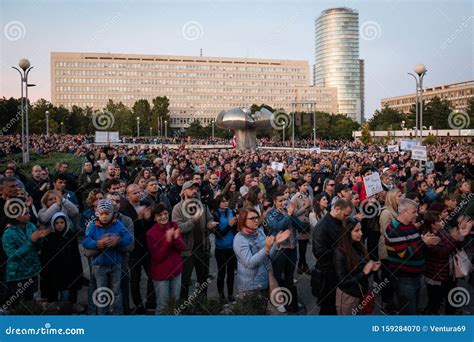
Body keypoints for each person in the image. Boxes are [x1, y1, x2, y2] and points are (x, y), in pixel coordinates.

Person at [384, 198, 440, 315]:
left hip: (415, 275)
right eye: (413, 212)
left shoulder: (410, 226)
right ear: (404, 212)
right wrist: (423, 242)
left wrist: (428, 243)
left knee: (413, 307)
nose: (416, 215)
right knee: (409, 312)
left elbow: (417, 248)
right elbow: (404, 254)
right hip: (404, 277)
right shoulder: (394, 229)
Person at [82, 199, 133, 315]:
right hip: (99, 266)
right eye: (101, 214)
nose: (104, 216)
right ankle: (102, 315)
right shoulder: (93, 226)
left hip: (116, 265)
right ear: (97, 214)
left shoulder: (118, 224)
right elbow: (85, 240)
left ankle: (117, 315)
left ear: (112, 214)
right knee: (101, 292)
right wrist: (97, 244)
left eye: (107, 213)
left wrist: (118, 241)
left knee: (116, 292)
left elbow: (129, 238)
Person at [172, 181, 217, 299]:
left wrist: (210, 225)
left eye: (196, 189)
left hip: (202, 249)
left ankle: (202, 306)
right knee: (184, 282)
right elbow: (178, 228)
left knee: (203, 281)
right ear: (183, 192)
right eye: (191, 189)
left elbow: (209, 220)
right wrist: (193, 221)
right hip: (186, 252)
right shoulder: (178, 208)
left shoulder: (202, 206)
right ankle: (183, 308)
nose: (194, 191)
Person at [422, 211, 472, 315]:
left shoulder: (442, 230)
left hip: (448, 274)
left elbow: (454, 246)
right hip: (436, 277)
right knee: (434, 303)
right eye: (439, 220)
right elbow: (442, 253)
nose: (442, 221)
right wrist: (456, 238)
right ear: (432, 224)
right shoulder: (429, 235)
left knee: (452, 301)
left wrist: (460, 235)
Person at [233, 208, 290, 297]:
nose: (256, 220)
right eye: (252, 218)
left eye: (257, 217)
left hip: (264, 281)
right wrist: (266, 248)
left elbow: (268, 256)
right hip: (250, 287)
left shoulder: (259, 231)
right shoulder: (240, 238)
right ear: (243, 220)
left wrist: (276, 244)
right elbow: (250, 263)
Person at [2, 197, 49, 303]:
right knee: (17, 304)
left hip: (32, 271)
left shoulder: (31, 226)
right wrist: (31, 241)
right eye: (26, 213)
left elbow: (37, 248)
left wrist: (40, 239)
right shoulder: (8, 233)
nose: (29, 215)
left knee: (31, 302)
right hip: (17, 274)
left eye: (29, 212)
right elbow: (12, 256)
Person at [312, 199, 353, 315]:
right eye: (345, 215)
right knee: (328, 307)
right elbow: (319, 253)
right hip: (328, 274)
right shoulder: (322, 226)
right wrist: (341, 252)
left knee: (335, 306)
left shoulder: (339, 221)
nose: (346, 217)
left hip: (337, 270)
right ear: (337, 209)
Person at [334, 219, 381, 315]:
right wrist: (364, 271)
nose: (361, 233)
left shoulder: (359, 245)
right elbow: (343, 281)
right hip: (348, 296)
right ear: (347, 232)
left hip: (361, 292)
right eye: (356, 231)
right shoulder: (340, 252)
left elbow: (362, 271)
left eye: (361, 230)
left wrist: (371, 269)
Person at [147, 204, 186, 314]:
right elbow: (158, 257)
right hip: (161, 275)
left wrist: (175, 239)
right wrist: (167, 240)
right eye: (159, 215)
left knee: (175, 304)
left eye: (165, 214)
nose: (163, 217)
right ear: (154, 218)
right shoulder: (151, 234)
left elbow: (182, 247)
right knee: (162, 306)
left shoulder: (174, 225)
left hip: (176, 271)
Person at [41, 212, 83, 302]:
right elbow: (45, 259)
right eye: (56, 223)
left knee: (67, 299)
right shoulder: (49, 238)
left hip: (69, 273)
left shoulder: (71, 236)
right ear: (53, 224)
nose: (59, 225)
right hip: (54, 274)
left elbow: (76, 256)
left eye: (62, 222)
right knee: (54, 301)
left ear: (66, 223)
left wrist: (79, 273)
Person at [377, 188, 401, 314]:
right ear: (392, 198)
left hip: (394, 249)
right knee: (387, 278)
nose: (401, 198)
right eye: (399, 196)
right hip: (387, 250)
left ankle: (390, 302)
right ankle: (385, 304)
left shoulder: (396, 210)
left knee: (393, 278)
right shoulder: (386, 213)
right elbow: (388, 232)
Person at [211, 194, 238, 302]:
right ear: (218, 203)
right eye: (222, 201)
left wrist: (236, 224)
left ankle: (230, 294)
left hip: (231, 248)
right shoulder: (215, 214)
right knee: (222, 273)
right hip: (221, 248)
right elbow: (218, 234)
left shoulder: (232, 212)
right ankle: (221, 296)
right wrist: (230, 225)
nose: (225, 203)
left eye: (226, 201)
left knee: (231, 272)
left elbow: (235, 230)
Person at [290, 180, 312, 275]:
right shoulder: (295, 198)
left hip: (307, 223)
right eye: (304, 185)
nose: (306, 187)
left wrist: (310, 207)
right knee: (302, 246)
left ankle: (302, 264)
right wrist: (304, 207)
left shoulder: (308, 196)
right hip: (300, 224)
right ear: (299, 186)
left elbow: (310, 209)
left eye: (306, 185)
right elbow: (293, 214)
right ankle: (302, 265)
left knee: (304, 246)